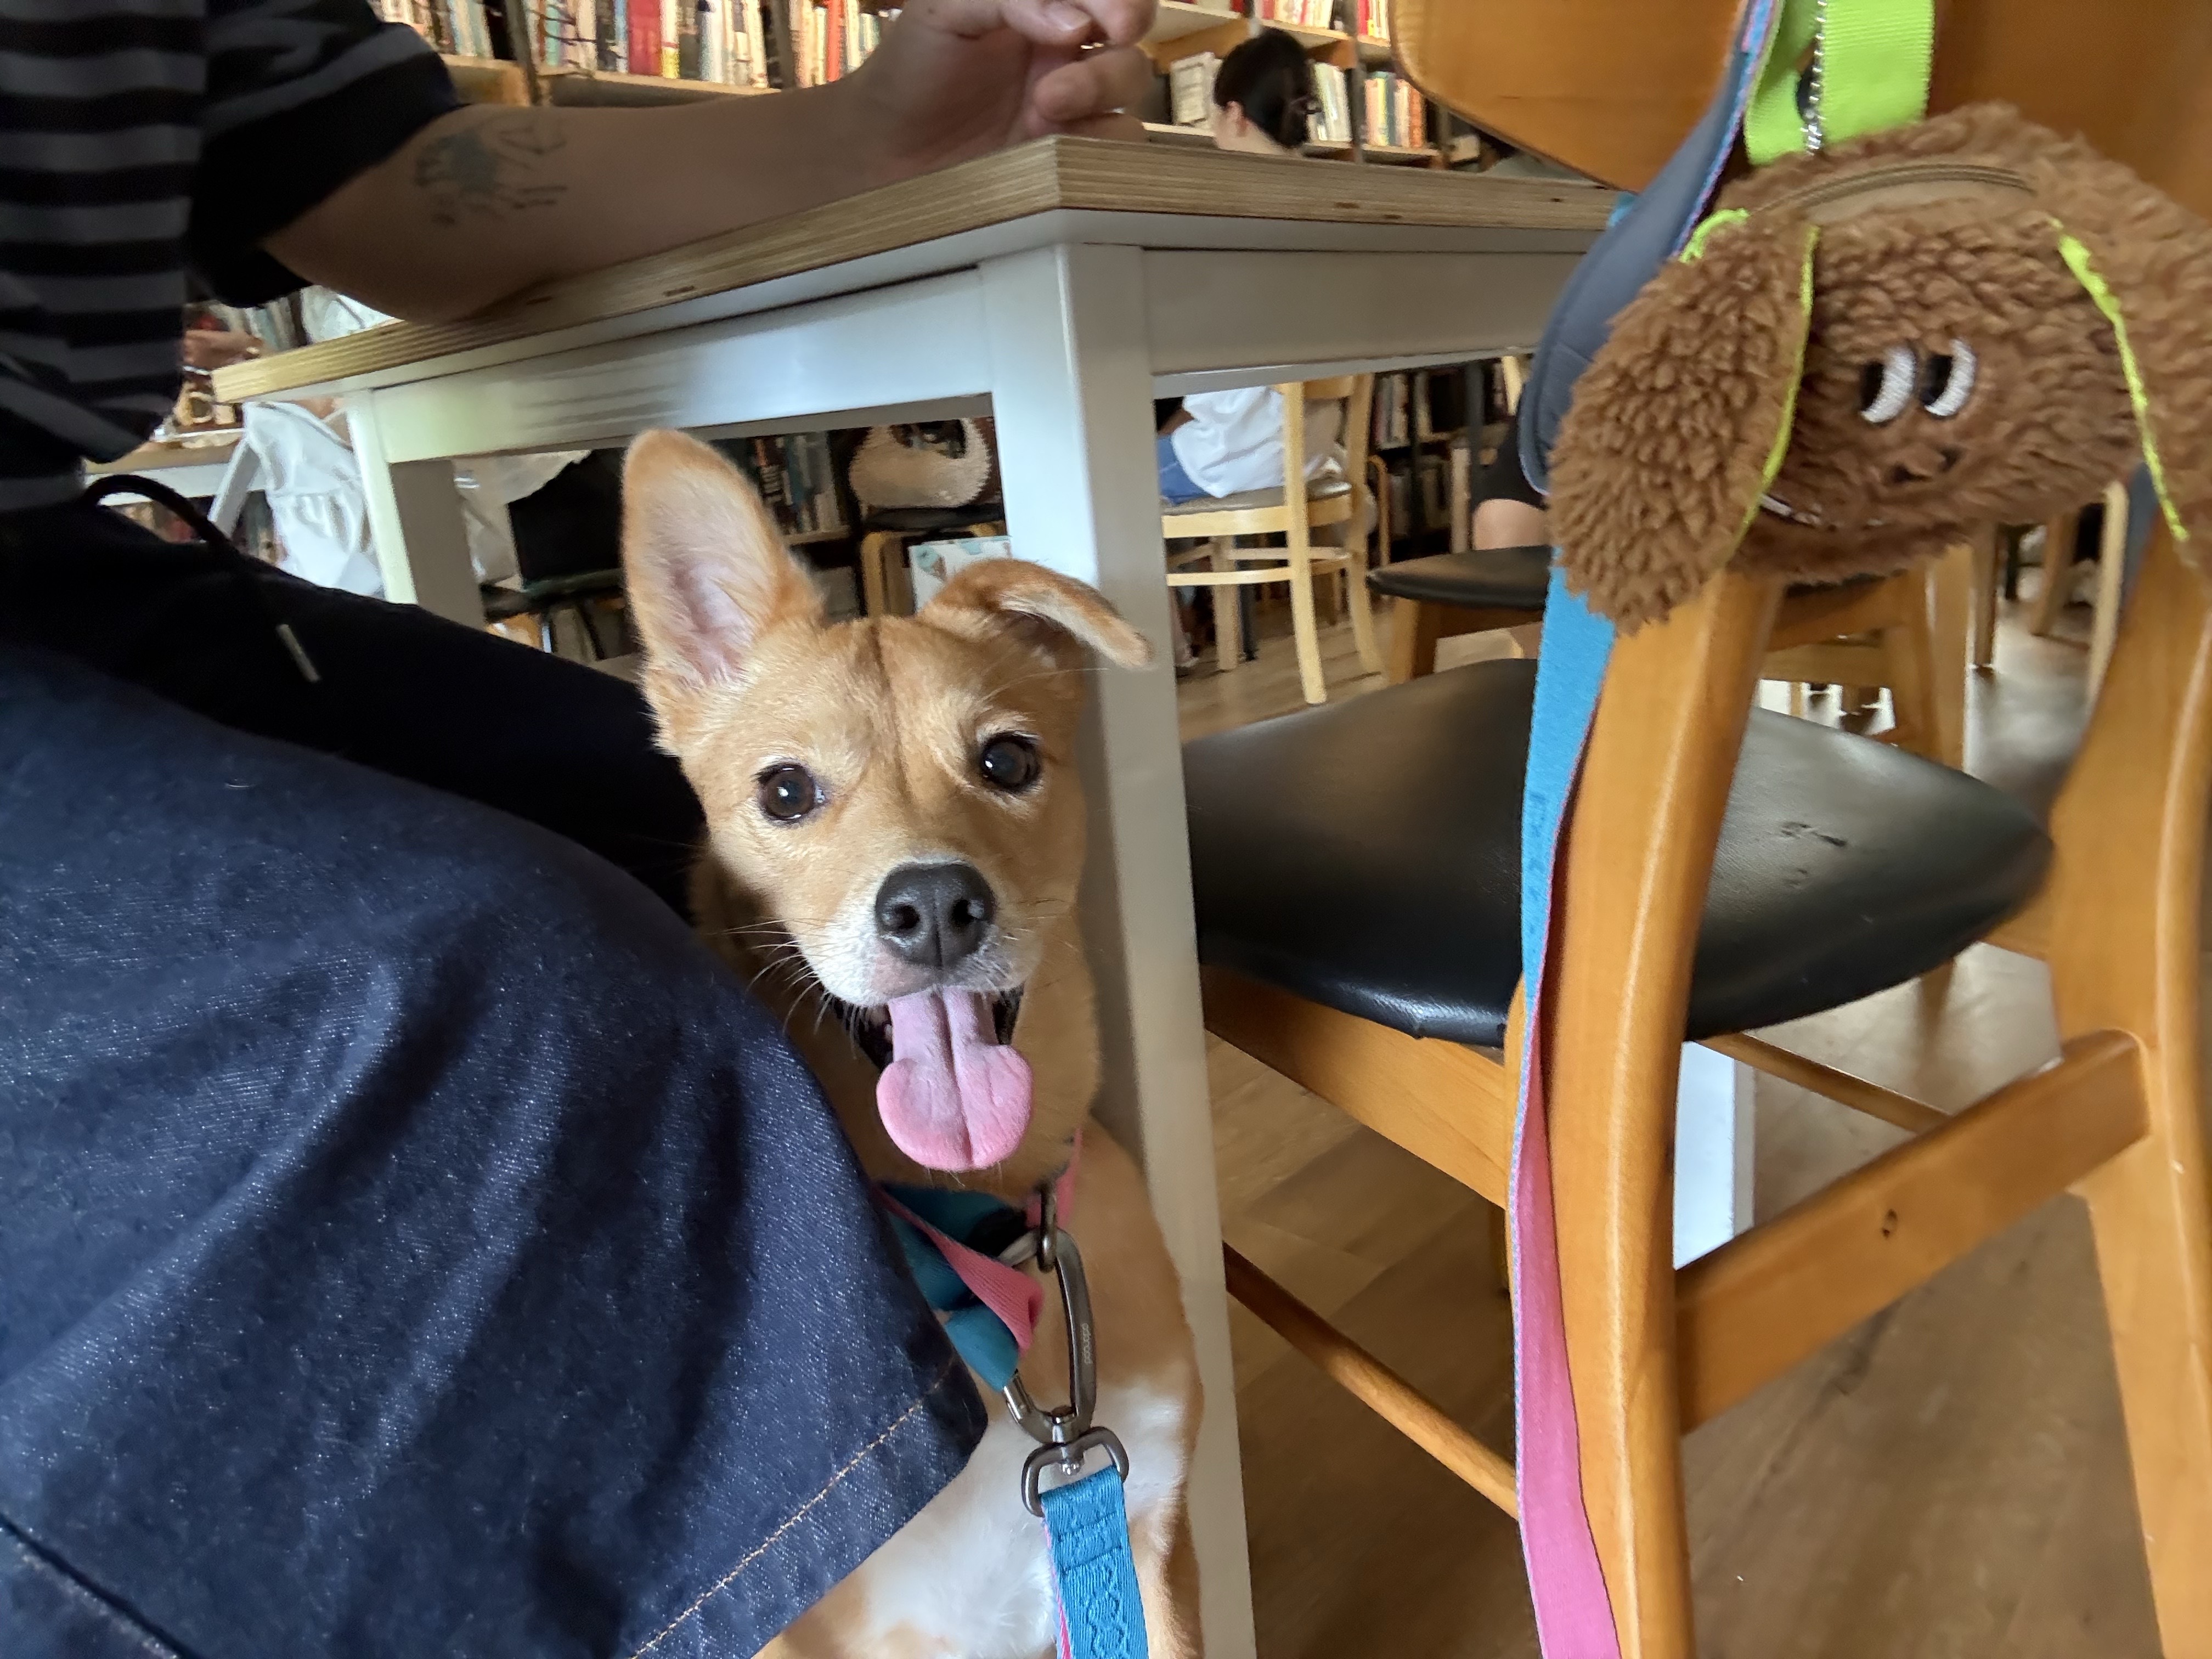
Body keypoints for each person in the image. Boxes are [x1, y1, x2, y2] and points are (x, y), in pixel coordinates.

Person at [0, 4, 1153, 1655]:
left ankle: (940, 1353)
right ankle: (793, 1526)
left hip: (62, 555)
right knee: (516, 972)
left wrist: (866, 129)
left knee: (630, 822)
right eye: (801, 787)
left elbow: (387, 181)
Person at [1156, 29, 1342, 506]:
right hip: (1312, 450)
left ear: (1235, 114)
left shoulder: (1234, 219)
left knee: (1093, 474)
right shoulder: (1333, 208)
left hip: (1239, 457)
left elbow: (1209, 381)